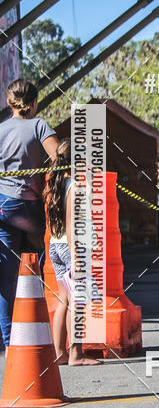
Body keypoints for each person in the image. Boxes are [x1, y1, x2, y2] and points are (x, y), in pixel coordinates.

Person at [0, 79, 59, 352]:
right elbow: (58, 155)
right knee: (37, 266)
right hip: (28, 207)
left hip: (2, 206)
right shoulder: (39, 126)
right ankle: (40, 331)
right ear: (34, 102)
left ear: (9, 103)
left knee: (6, 277)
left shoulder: (1, 130)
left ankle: (11, 343)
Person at [44, 140, 100, 366]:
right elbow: (73, 223)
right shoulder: (76, 187)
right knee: (78, 301)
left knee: (63, 300)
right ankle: (76, 353)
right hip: (72, 248)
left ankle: (60, 353)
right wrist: (77, 256)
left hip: (56, 245)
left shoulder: (55, 185)